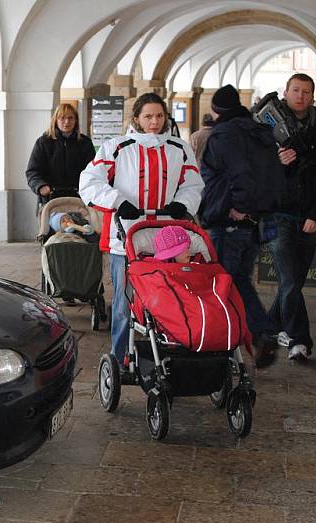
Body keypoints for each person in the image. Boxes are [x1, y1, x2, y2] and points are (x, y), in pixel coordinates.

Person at [79, 92, 204, 364]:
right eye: (148, 116)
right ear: (136, 117)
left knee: (170, 297)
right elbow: (89, 182)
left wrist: (183, 204)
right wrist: (118, 201)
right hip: (126, 238)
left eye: (159, 115)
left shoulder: (180, 148)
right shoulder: (116, 147)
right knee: (124, 303)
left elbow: (193, 185)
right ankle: (121, 355)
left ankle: (169, 351)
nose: (154, 122)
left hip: (168, 238)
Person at [198, 84, 284, 367]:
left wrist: (239, 207)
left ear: (216, 110)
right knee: (240, 279)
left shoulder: (225, 134)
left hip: (230, 221)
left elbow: (241, 175)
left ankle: (256, 332)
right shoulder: (259, 131)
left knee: (228, 279)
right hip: (256, 223)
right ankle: (247, 334)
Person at [272, 73, 316, 361]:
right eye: (295, 90)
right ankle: (300, 340)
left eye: (306, 91)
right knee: (289, 280)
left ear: (313, 96)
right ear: (286, 92)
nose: (300, 95)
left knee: (294, 280)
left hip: (308, 216)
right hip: (278, 216)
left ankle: (269, 326)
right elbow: (255, 172)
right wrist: (275, 163)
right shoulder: (269, 124)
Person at [26, 103, 96, 208]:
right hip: (50, 200)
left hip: (79, 200)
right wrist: (40, 186)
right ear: (55, 120)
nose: (67, 122)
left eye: (70, 118)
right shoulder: (43, 142)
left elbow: (93, 170)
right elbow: (32, 171)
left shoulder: (85, 143)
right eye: (62, 118)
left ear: (76, 120)